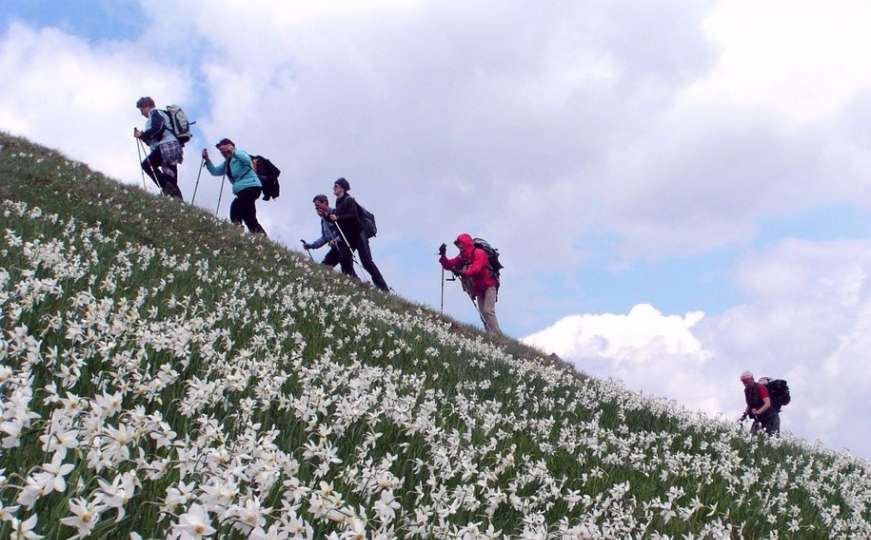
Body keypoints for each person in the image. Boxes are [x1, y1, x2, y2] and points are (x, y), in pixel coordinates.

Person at [329, 178, 389, 291]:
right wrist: (337, 238)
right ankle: (353, 283)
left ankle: (383, 288)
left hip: (359, 233)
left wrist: (338, 217)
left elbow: (353, 216)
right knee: (344, 257)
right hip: (349, 235)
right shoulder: (338, 202)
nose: (333, 188)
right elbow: (342, 224)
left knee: (366, 261)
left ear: (342, 188)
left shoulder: (349, 200)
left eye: (336, 186)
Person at [439, 234, 502, 335]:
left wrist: (463, 273)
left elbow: (476, 269)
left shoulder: (479, 253)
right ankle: (491, 337)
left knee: (488, 311)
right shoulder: (463, 256)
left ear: (466, 243)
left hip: (490, 285)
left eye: (460, 244)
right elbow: (449, 264)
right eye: (458, 245)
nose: (459, 247)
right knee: (483, 314)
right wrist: (443, 256)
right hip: (479, 288)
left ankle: (498, 336)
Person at [202, 139, 266, 235]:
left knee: (236, 207)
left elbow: (246, 160)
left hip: (251, 187)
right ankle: (261, 238)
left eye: (223, 149)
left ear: (230, 146)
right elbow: (215, 171)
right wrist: (207, 159)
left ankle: (237, 229)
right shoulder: (227, 163)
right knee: (249, 217)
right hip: (244, 190)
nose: (222, 152)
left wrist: (232, 151)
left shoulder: (239, 153)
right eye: (220, 151)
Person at [134, 97, 183, 199]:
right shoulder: (156, 117)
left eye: (141, 110)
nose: (141, 113)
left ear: (147, 106)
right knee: (171, 179)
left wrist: (142, 135)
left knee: (147, 165)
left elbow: (158, 128)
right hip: (173, 148)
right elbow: (152, 140)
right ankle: (177, 202)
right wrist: (142, 136)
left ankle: (166, 188)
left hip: (167, 146)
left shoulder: (155, 113)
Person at [303, 194, 357, 278]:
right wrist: (311, 245)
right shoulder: (323, 221)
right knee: (324, 267)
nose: (316, 209)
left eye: (318, 206)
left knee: (346, 268)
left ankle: (358, 284)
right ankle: (357, 284)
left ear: (325, 203)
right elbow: (325, 238)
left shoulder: (335, 213)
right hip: (336, 248)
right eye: (315, 208)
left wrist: (337, 240)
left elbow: (346, 230)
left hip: (345, 245)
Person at [739, 371, 780, 435]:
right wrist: (744, 415)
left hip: (770, 418)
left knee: (771, 439)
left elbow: (767, 404)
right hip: (759, 418)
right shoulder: (747, 391)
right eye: (744, 382)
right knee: (753, 439)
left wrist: (758, 412)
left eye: (747, 381)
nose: (745, 384)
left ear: (752, 379)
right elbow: (749, 404)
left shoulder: (761, 388)